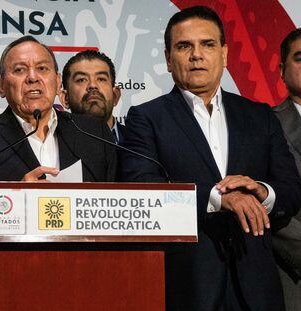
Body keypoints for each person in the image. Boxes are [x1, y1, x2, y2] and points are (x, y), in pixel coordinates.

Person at [119, 6, 301, 311]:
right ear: (167, 59)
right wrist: (218, 197)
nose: (196, 55)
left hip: (258, 288)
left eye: (208, 44)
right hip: (188, 284)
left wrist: (261, 191)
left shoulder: (260, 116)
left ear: (225, 54)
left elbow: (291, 189)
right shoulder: (146, 117)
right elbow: (143, 189)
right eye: (184, 46)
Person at [0, 35, 116, 309]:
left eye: (42, 69)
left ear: (57, 81)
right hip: (8, 283)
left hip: (87, 279)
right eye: (20, 70)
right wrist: (11, 197)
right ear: (1, 86)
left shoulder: (93, 134)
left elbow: (118, 197)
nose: (33, 78)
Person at [272, 28, 301, 311]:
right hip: (293, 275)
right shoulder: (264, 124)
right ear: (282, 70)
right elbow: (267, 201)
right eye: (300, 58)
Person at [60, 50, 124, 143]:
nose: (93, 85)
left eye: (101, 79)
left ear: (115, 96)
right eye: (81, 80)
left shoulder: (140, 142)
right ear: (65, 98)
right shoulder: (53, 145)